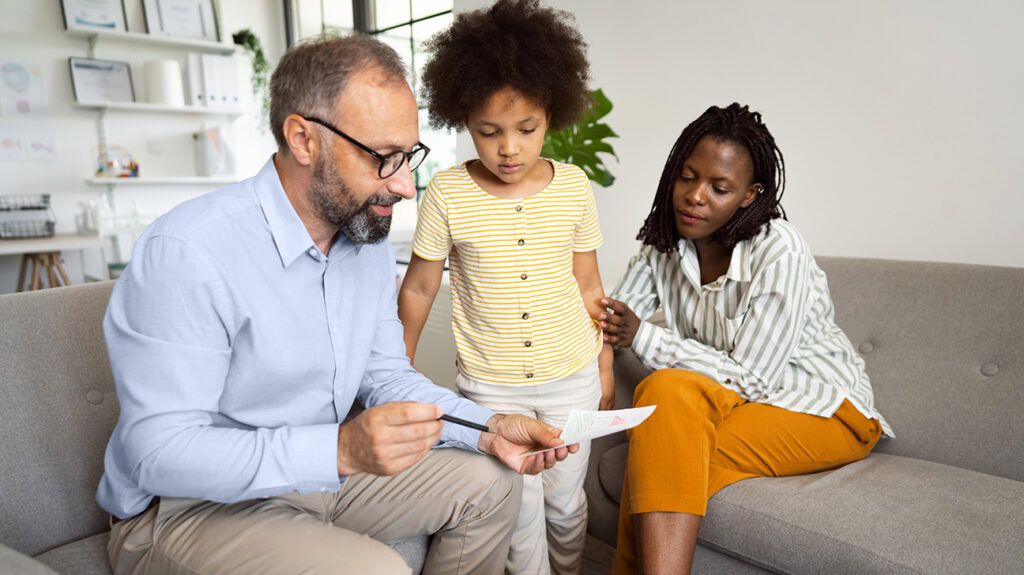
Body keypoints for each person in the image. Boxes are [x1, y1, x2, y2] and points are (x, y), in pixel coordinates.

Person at [96, 35, 579, 575]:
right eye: (383, 157)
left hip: (320, 481)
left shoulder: (363, 240)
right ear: (304, 139)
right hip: (191, 510)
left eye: (409, 156)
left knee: (492, 480)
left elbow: (387, 376)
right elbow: (157, 454)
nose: (404, 186)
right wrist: (340, 452)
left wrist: (488, 427)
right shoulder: (189, 252)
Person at [597, 103, 894, 574]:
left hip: (825, 410)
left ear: (749, 194)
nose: (695, 197)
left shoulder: (779, 249)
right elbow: (608, 320)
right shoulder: (664, 243)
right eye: (687, 177)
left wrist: (643, 337)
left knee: (659, 446)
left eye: (719, 188)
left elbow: (751, 377)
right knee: (666, 393)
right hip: (737, 404)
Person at [397, 1, 613, 573]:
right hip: (490, 388)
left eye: (527, 129)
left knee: (566, 506)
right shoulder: (446, 192)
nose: (509, 149)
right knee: (516, 509)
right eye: (489, 132)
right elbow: (419, 288)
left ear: (553, 114)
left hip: (572, 377)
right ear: (462, 120)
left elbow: (588, 282)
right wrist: (401, 364)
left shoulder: (573, 187)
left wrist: (606, 364)